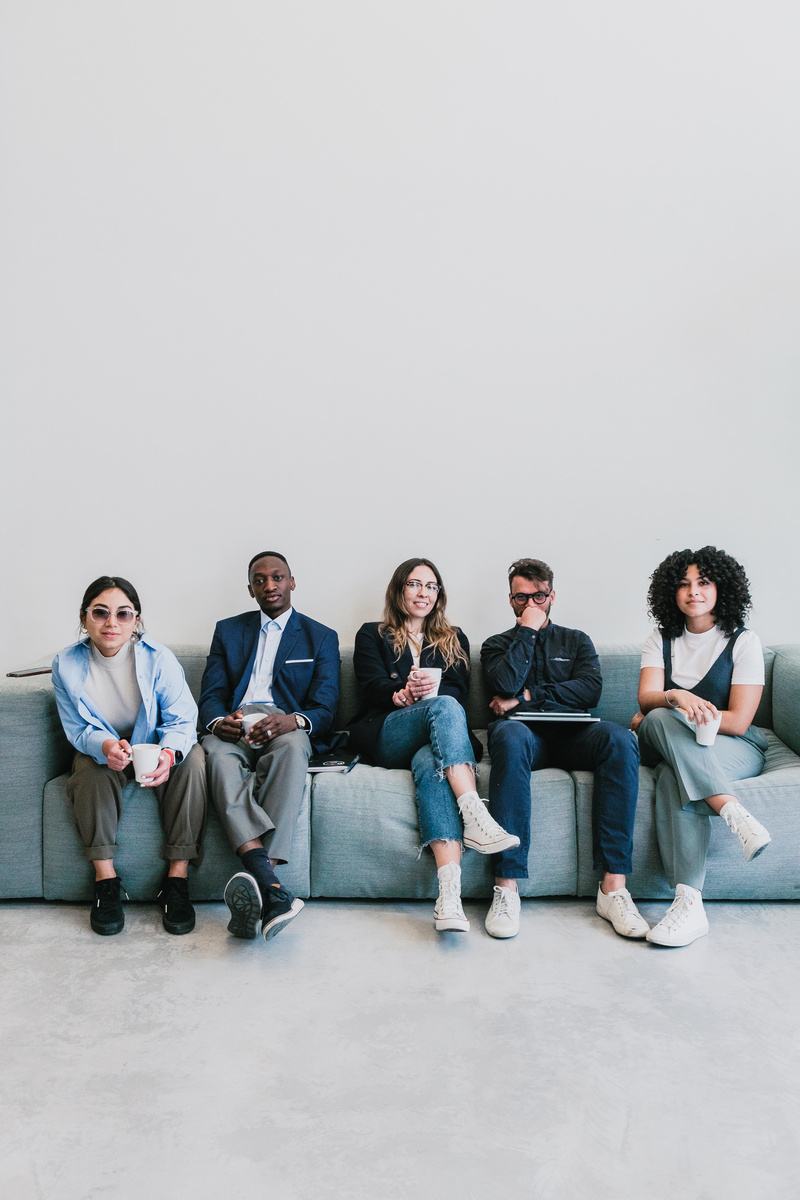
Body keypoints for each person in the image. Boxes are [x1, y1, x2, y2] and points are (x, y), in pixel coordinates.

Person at [349, 558, 519, 935]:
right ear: (399, 589)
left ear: (438, 594)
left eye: (431, 586)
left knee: (432, 759)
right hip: (390, 733)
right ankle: (473, 811)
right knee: (443, 707)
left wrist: (433, 691)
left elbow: (458, 692)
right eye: (414, 584)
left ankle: (449, 897)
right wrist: (400, 695)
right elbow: (370, 683)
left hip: (433, 740)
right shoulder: (371, 634)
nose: (423, 593)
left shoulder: (454, 637)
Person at [481, 558, 645, 941]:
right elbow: (503, 684)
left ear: (552, 595)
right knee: (507, 734)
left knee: (620, 739)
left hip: (574, 737)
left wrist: (527, 696)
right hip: (526, 738)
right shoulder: (497, 645)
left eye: (539, 596)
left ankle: (613, 888)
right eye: (522, 598)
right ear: (510, 600)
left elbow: (589, 690)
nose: (532, 604)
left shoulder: (576, 640)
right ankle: (506, 888)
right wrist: (527, 632)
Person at [51, 576, 207, 937]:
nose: (111, 623)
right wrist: (106, 747)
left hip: (151, 746)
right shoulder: (67, 665)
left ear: (136, 621)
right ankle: (106, 883)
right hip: (103, 750)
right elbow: (76, 728)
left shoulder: (158, 658)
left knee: (194, 760)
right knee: (90, 771)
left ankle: (176, 881)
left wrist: (169, 752)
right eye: (100, 613)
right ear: (84, 617)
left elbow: (183, 718)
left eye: (123, 614)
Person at [632, 546, 770, 947]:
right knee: (657, 717)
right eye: (684, 584)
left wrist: (664, 708)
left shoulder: (744, 641)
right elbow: (647, 699)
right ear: (670, 593)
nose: (693, 591)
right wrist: (674, 698)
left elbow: (739, 720)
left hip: (734, 745)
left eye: (703, 582)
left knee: (671, 762)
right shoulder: (660, 638)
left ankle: (688, 904)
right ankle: (733, 812)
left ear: (720, 588)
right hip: (674, 742)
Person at [199, 551, 339, 944]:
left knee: (294, 748)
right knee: (216, 757)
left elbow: (326, 707)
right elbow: (210, 695)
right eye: (260, 580)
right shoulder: (228, 631)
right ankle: (272, 890)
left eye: (278, 577)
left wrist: (291, 720)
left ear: (292, 581)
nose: (270, 585)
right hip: (236, 724)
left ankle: (262, 881)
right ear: (250, 589)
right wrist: (216, 722)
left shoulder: (321, 636)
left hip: (285, 724)